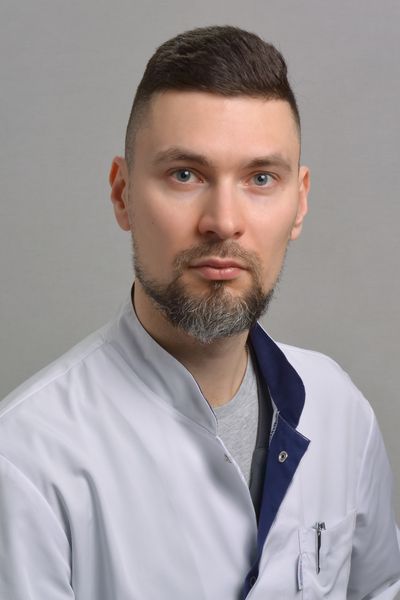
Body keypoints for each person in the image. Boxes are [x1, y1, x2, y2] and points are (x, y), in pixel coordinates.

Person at [0, 25, 399, 600]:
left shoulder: (340, 411)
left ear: (299, 201)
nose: (223, 221)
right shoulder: (24, 462)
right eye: (185, 174)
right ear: (122, 194)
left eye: (261, 178)